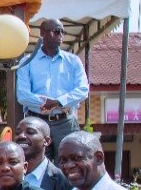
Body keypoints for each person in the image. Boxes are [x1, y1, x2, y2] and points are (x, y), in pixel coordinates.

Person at [16, 19, 89, 149]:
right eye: (56, 31)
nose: (60, 35)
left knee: (68, 159)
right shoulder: (27, 62)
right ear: (42, 33)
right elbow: (22, 95)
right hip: (36, 123)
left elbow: (83, 90)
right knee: (37, 160)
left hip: (66, 123)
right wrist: (45, 103)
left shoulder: (73, 61)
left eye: (62, 32)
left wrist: (58, 102)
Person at [16, 116, 74, 190]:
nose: (21, 136)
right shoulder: (8, 175)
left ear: (46, 141)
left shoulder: (62, 181)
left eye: (30, 132)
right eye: (17, 133)